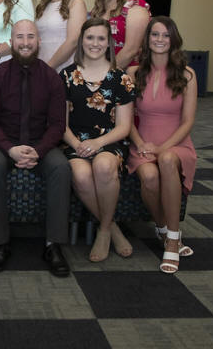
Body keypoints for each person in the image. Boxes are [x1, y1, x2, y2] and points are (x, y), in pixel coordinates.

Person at [0, 19, 71, 277]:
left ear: (38, 41)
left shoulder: (52, 78)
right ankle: (0, 243)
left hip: (40, 142)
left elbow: (58, 124)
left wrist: (39, 151)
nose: (25, 42)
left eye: (30, 37)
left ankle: (53, 245)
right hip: (2, 142)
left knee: (61, 168)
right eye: (19, 37)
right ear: (11, 42)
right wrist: (9, 149)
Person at [60, 18, 135, 262]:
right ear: (82, 41)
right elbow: (61, 124)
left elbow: (124, 127)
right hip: (75, 142)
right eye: (90, 37)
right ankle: (112, 227)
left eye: (101, 38)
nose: (95, 43)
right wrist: (78, 145)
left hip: (109, 141)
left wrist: (97, 143)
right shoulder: (67, 75)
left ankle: (103, 232)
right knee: (81, 175)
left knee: (103, 166)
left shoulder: (121, 78)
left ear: (109, 42)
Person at [127, 16, 197, 274]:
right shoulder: (133, 74)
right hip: (143, 143)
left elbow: (188, 122)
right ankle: (163, 229)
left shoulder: (187, 75)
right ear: (147, 39)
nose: (160, 39)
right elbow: (125, 119)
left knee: (167, 160)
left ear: (173, 40)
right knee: (148, 177)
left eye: (166, 35)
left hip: (176, 143)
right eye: (155, 34)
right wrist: (140, 144)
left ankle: (173, 239)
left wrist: (162, 147)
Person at [91, 0, 150, 68]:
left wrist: (105, 74)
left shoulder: (136, 7)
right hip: (98, 68)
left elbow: (130, 51)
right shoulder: (99, 7)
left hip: (125, 72)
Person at [35, 0, 87, 73]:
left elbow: (73, 41)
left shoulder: (76, 2)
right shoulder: (42, 5)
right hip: (41, 69)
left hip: (64, 71)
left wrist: (48, 68)